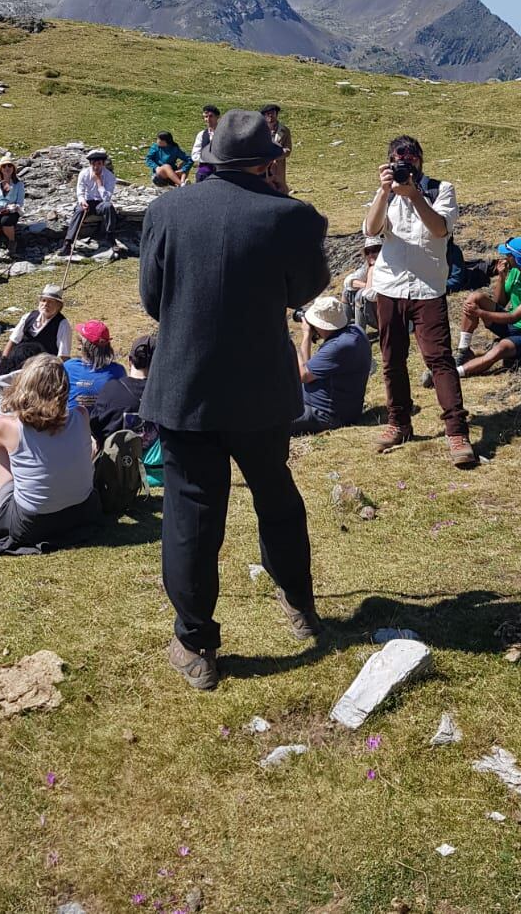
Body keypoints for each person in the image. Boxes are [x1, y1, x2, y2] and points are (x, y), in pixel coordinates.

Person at [138, 108, 329, 690]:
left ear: (210, 158)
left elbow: (152, 299)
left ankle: (195, 641)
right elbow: (306, 291)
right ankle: (297, 600)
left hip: (183, 388)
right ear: (269, 163)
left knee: (192, 511)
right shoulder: (291, 217)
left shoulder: (166, 210)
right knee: (274, 491)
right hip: (261, 389)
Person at [363, 135, 474, 468]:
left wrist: (414, 195)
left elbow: (440, 229)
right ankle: (399, 423)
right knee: (392, 358)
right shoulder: (386, 192)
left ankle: (456, 430)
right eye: (399, 159)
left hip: (428, 287)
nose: (405, 164)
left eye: (411, 158)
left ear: (421, 160)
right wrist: (385, 191)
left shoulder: (441, 190)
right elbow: (371, 229)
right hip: (390, 285)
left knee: (438, 359)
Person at [0, 356, 102, 559]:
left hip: (31, 523)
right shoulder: (81, 414)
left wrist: (5, 417)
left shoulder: (10, 427)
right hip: (82, 512)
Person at [457, 237, 521, 378]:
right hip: (510, 323)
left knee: (500, 349)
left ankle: (454, 373)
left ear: (517, 259)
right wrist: (501, 277)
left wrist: (480, 313)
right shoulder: (516, 272)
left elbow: (514, 316)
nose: (505, 257)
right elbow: (500, 303)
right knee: (475, 297)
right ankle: (463, 351)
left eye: (508, 255)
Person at [293, 295, 372, 433]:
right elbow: (309, 367)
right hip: (340, 408)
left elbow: (303, 375)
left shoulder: (338, 346)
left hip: (326, 414)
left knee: (270, 419)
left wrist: (306, 335)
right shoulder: (356, 331)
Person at [0, 282, 72, 391]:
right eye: (43, 300)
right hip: (13, 357)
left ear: (59, 306)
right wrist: (3, 359)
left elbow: (63, 357)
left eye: (50, 302)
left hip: (34, 367)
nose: (45, 304)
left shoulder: (62, 325)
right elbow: (12, 341)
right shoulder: (29, 316)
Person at [85, 334, 154, 443]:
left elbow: (94, 427)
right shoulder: (166, 395)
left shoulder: (111, 389)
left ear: (130, 360)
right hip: (157, 459)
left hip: (116, 458)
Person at [59, 149, 118, 252]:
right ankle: (68, 242)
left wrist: (99, 182)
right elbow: (80, 191)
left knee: (108, 207)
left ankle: (110, 237)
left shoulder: (109, 176)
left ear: (103, 164)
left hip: (101, 203)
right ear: (90, 164)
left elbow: (107, 198)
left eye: (99, 164)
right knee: (79, 211)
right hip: (87, 202)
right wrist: (82, 201)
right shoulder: (84, 174)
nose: (96, 167)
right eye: (93, 164)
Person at [62, 321, 124, 407]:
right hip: (105, 420)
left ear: (85, 346)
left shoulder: (69, 367)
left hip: (74, 419)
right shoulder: (118, 371)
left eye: (80, 341)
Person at [0, 159, 25, 261]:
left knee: (6, 222)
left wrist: (13, 208)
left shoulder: (19, 184)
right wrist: (5, 204)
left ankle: (12, 245)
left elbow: (20, 202)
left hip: (11, 211)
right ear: (0, 169)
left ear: (13, 168)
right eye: (4, 166)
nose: (7, 168)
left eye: (9, 166)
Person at [342, 235, 384, 334]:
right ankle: (343, 330)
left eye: (374, 250)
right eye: (367, 252)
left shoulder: (388, 268)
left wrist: (371, 272)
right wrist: (366, 285)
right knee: (346, 292)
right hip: (373, 310)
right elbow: (348, 281)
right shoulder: (367, 267)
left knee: (361, 294)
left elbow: (372, 295)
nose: (371, 255)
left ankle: (358, 335)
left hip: (385, 315)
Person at [262, 106, 293, 194]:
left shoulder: (285, 130)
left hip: (278, 168)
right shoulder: (260, 130)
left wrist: (276, 155)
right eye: (268, 114)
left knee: (280, 190)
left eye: (273, 113)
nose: (270, 116)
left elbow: (288, 150)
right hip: (263, 168)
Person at [191, 106, 221, 182]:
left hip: (222, 165)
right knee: (202, 174)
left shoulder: (224, 133)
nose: (208, 119)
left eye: (211, 116)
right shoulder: (201, 135)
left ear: (217, 117)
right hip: (206, 166)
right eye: (205, 117)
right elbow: (195, 154)